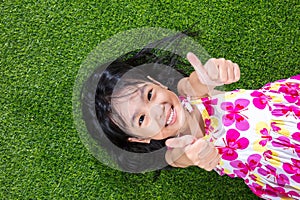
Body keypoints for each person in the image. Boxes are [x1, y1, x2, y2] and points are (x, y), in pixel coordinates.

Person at [87, 48, 299, 199]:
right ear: (140, 139)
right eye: (142, 119)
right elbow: (182, 157)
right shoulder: (178, 151)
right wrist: (197, 154)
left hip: (286, 106)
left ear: (158, 83)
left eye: (150, 94)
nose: (157, 110)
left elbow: (198, 81)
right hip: (283, 162)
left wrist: (213, 72)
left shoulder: (187, 92)